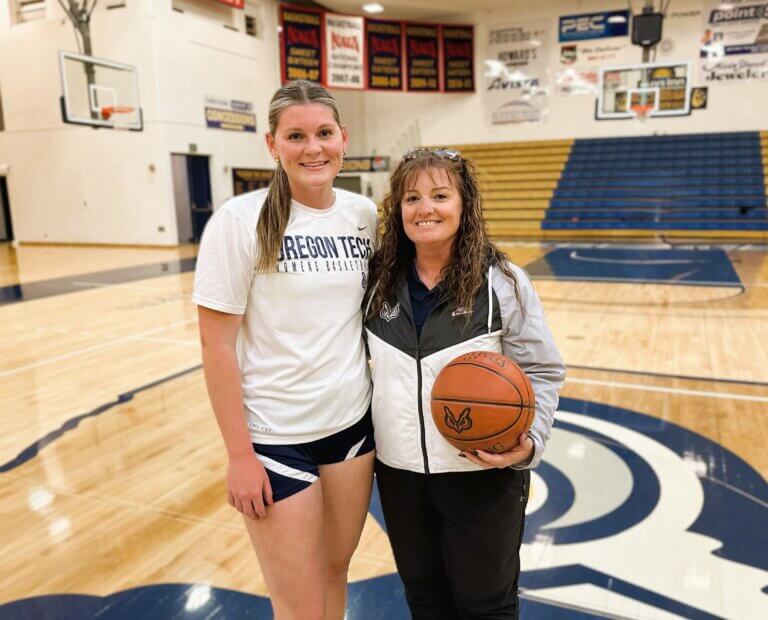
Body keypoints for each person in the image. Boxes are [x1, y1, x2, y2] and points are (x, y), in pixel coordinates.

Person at [193, 80, 378, 620]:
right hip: (276, 440)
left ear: (343, 138)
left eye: (324, 133)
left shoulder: (363, 215)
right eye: (296, 136)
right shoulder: (237, 222)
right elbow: (217, 345)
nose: (313, 147)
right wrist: (238, 456)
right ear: (272, 145)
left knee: (335, 573)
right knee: (298, 606)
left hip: (350, 430)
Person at [364, 148, 565, 619]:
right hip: (399, 475)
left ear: (464, 204)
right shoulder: (378, 281)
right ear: (398, 209)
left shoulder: (503, 282)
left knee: (485, 605)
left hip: (482, 475)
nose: (425, 208)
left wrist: (530, 441)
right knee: (425, 600)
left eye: (439, 195)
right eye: (411, 198)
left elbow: (543, 370)